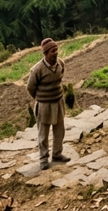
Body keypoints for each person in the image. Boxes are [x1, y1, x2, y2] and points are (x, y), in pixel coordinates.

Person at [26, 38, 70, 169]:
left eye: (56, 50)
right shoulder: (37, 69)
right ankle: (43, 159)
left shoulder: (60, 63)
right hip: (44, 105)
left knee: (59, 131)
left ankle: (57, 154)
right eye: (52, 51)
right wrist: (40, 98)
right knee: (43, 134)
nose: (55, 53)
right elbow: (30, 87)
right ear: (45, 54)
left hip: (58, 102)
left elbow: (60, 76)